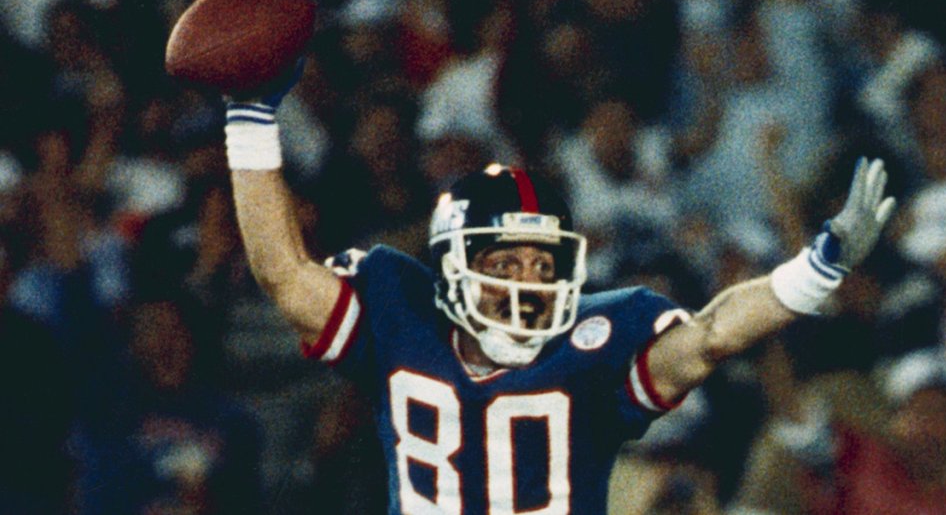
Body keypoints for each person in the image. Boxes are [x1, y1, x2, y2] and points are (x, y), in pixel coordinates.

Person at [218, 65, 895, 513]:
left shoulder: (596, 341)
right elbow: (283, 273)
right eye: (507, 263)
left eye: (543, 267)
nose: (529, 283)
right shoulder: (399, 308)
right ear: (453, 265)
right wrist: (250, 117)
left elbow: (711, 334)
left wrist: (816, 268)